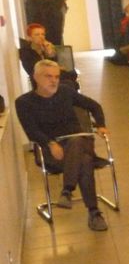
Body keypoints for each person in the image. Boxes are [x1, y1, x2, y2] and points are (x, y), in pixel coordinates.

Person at [15, 60, 109, 231]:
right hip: (53, 152)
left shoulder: (65, 92)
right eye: (48, 76)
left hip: (79, 142)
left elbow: (94, 106)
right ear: (36, 77)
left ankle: (67, 190)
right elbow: (31, 131)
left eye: (57, 77)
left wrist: (101, 125)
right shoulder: (24, 102)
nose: (54, 81)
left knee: (77, 141)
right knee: (85, 161)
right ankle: (94, 213)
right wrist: (50, 143)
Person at [19, 23, 77, 87]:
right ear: (30, 38)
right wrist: (54, 65)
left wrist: (51, 54)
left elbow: (58, 64)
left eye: (43, 34)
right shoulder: (25, 51)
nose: (41, 37)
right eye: (37, 35)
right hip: (40, 80)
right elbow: (34, 69)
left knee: (72, 74)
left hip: (53, 75)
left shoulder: (46, 47)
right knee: (68, 83)